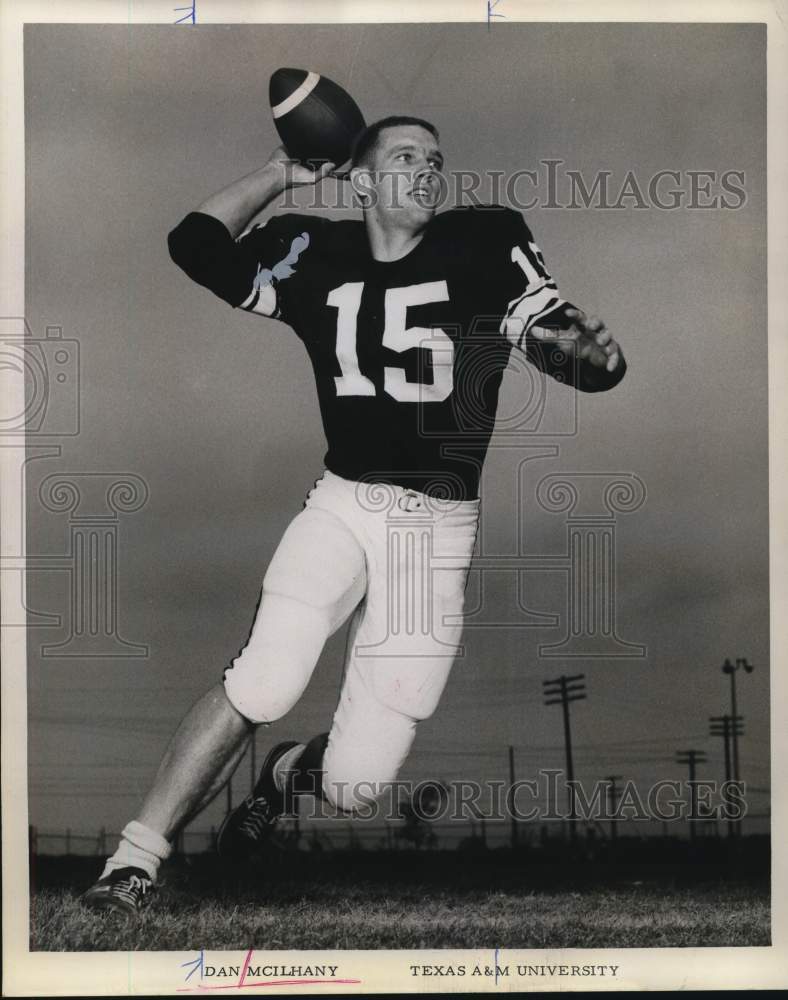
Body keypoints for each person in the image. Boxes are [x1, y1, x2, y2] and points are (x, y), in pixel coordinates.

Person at [83, 116, 626, 914]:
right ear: (362, 181)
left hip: (436, 530)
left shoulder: (484, 242)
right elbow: (195, 245)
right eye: (405, 157)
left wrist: (591, 359)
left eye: (437, 159)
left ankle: (286, 774)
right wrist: (277, 174)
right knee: (264, 679)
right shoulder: (314, 249)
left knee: (355, 785)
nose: (428, 170)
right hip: (344, 502)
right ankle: (132, 864)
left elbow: (551, 340)